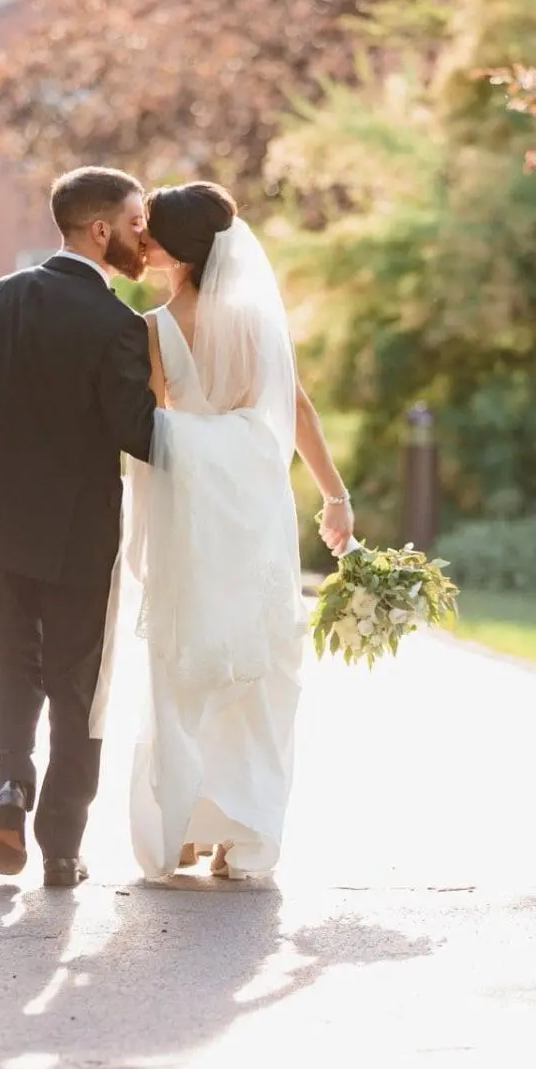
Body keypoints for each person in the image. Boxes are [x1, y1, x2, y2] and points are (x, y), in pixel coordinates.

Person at [0, 166, 159, 889]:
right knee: (75, 682)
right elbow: (135, 431)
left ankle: (8, 787)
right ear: (99, 230)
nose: (144, 239)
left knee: (8, 663)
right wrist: (215, 442)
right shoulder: (115, 323)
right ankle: (61, 844)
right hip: (76, 534)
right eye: (136, 223)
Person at [106, 181, 353, 881]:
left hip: (192, 510)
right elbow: (297, 407)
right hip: (255, 505)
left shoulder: (155, 328)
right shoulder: (257, 321)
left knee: (186, 655)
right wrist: (334, 494)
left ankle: (181, 825)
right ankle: (240, 831)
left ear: (176, 247)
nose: (142, 242)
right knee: (258, 658)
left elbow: (149, 431)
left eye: (150, 232)